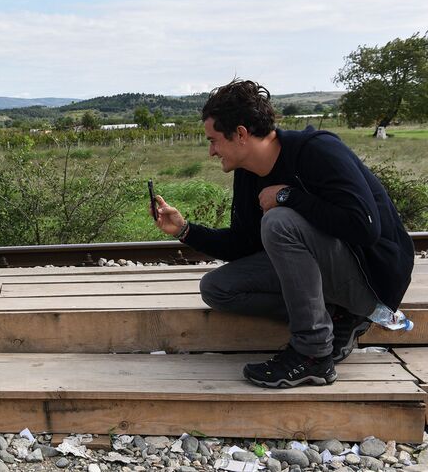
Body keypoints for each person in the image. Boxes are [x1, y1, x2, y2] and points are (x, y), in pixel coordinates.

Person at [153, 79, 414, 388]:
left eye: (213, 140)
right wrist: (185, 230)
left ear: (240, 134)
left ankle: (313, 354)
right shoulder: (248, 173)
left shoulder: (317, 151)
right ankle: (336, 316)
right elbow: (243, 244)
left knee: (279, 222)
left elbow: (365, 227)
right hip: (330, 271)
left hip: (373, 276)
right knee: (217, 288)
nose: (211, 151)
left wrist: (289, 197)